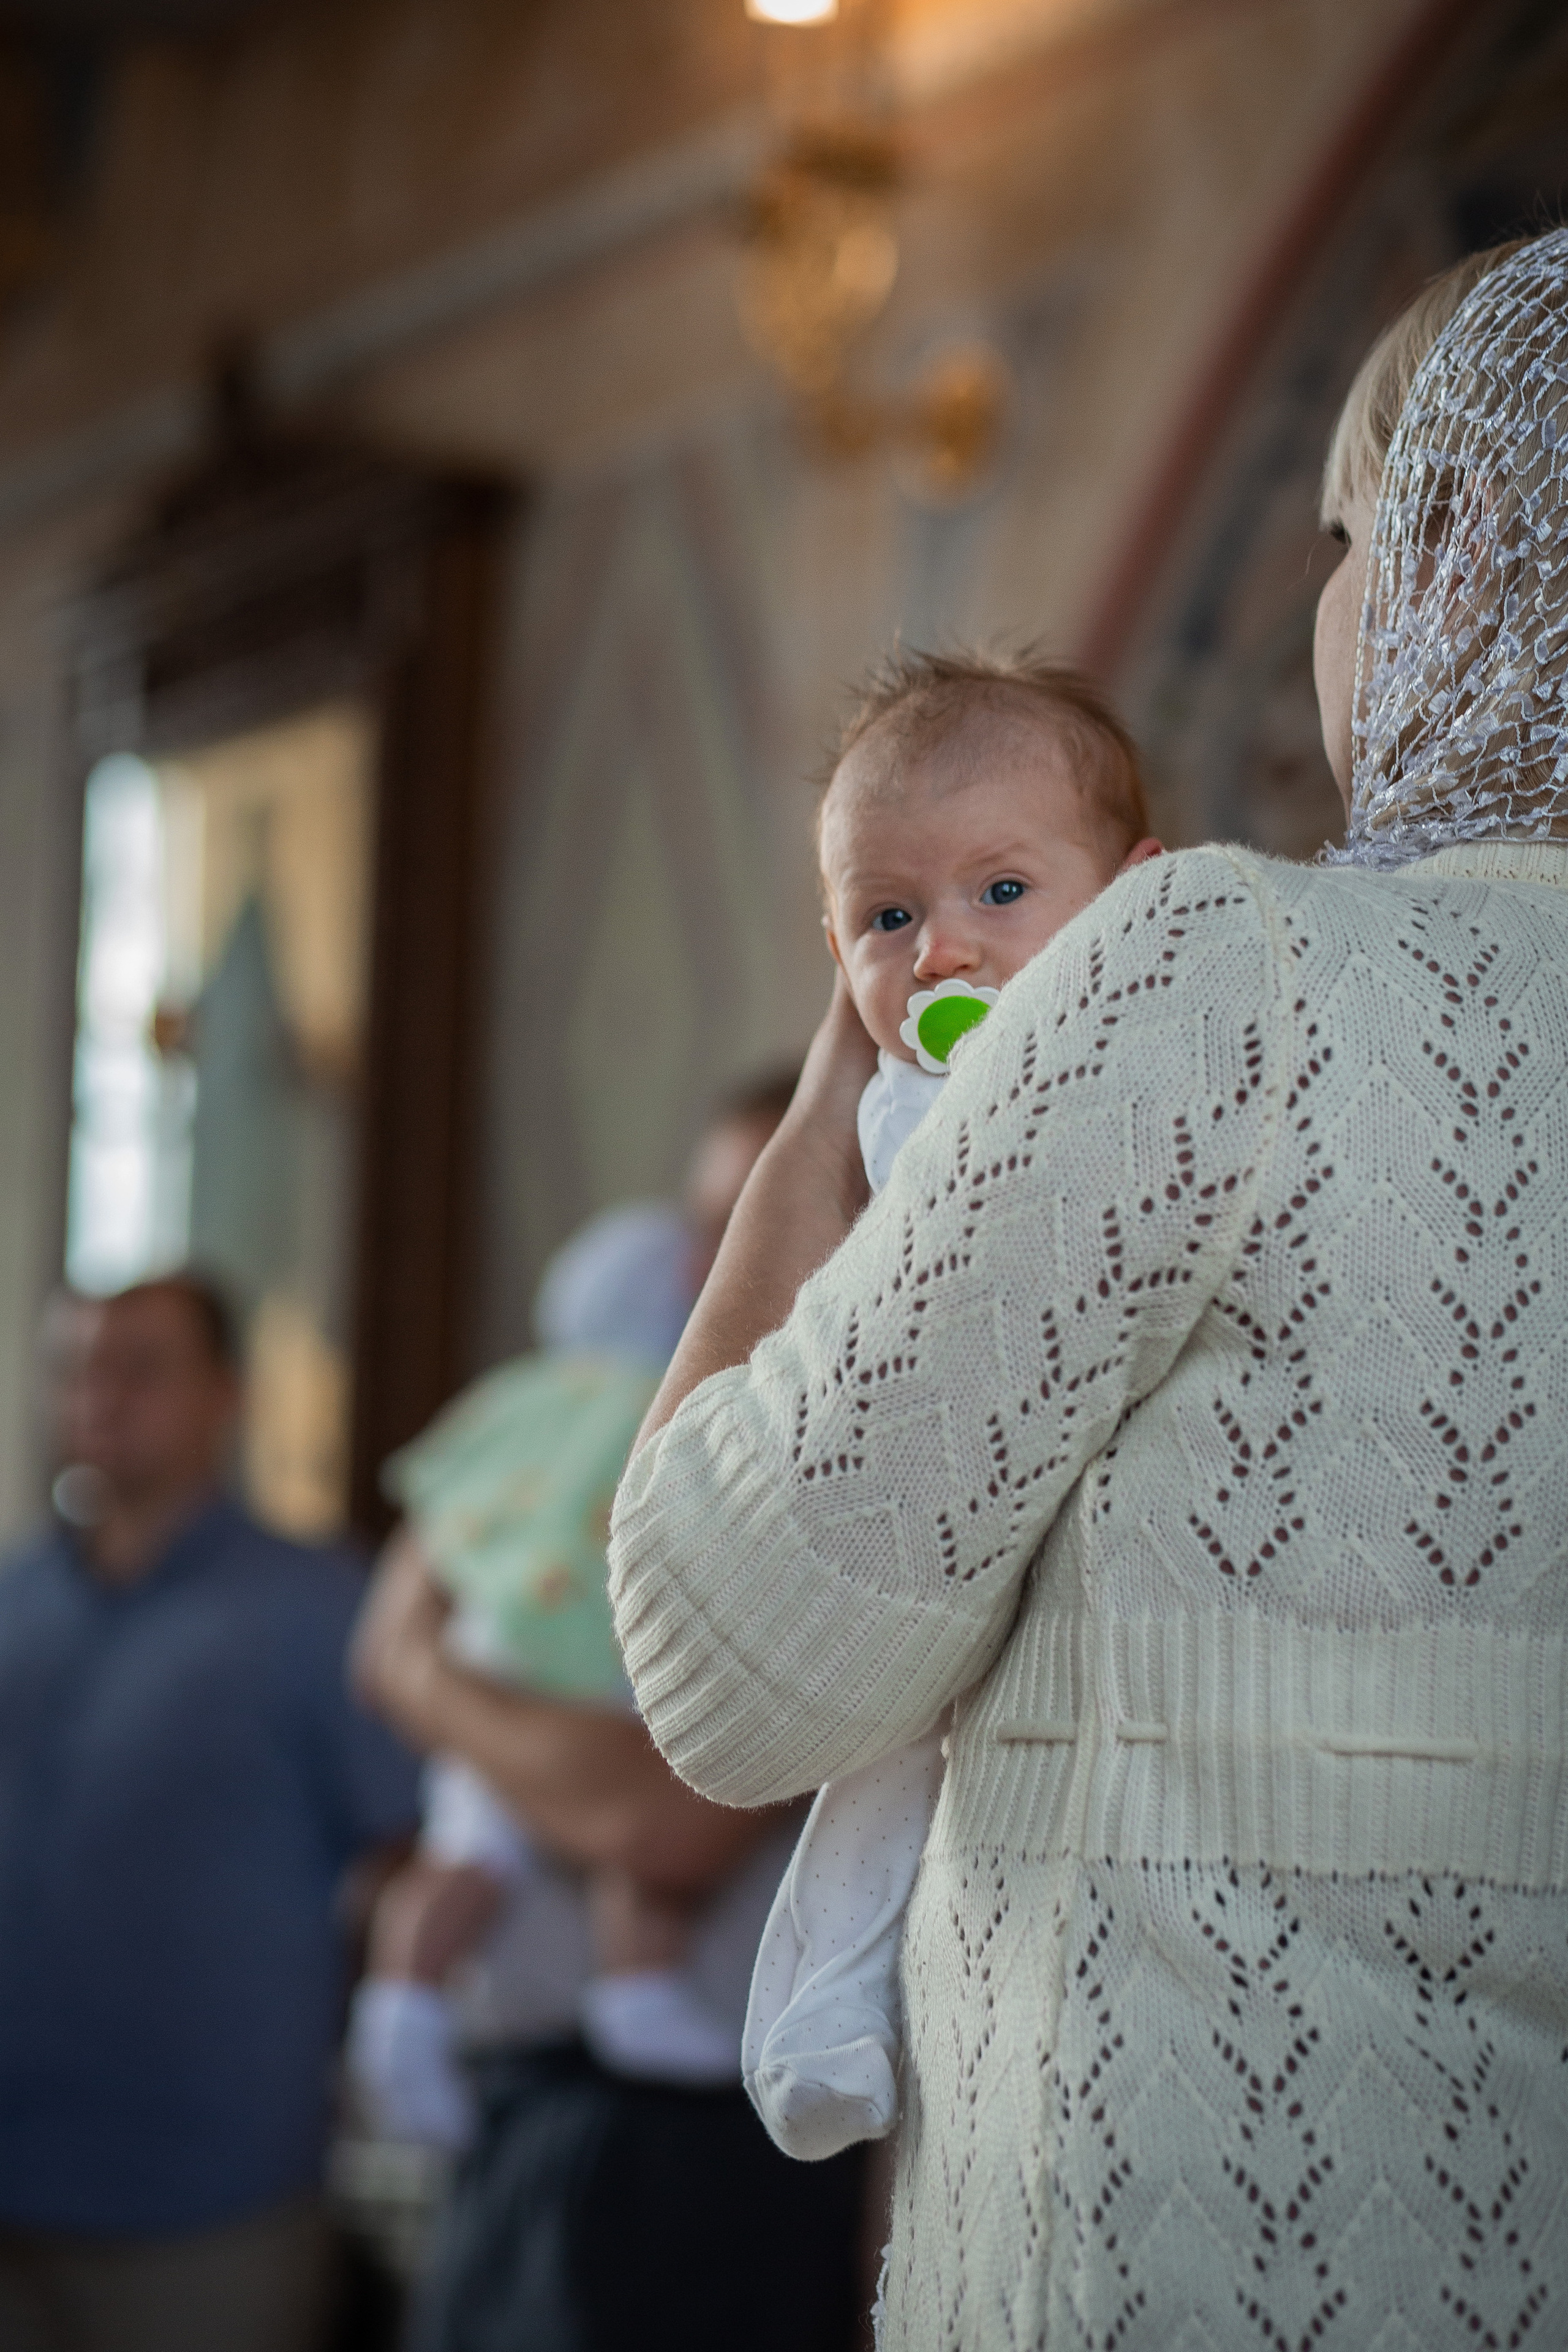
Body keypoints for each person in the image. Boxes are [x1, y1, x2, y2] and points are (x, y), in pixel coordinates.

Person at [609, 230, 1568, 2350]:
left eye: (1341, 537)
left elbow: (729, 1656)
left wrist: (813, 1118)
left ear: (1463, 547)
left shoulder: (1230, 973)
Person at [352, 1075, 869, 2352]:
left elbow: (667, 1825)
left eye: (767, 1218)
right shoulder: (600, 1438)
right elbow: (405, 1624)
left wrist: (435, 1682)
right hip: (522, 2109)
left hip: (711, 2157)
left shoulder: (852, 1496)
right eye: (703, 1226)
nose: (716, 1266)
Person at [744, 653, 1163, 2162]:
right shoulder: (899, 1109)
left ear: (1136, 897)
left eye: (1000, 891)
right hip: (932, 1523)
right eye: (887, 918)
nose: (943, 955)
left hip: (1113, 1557)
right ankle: (825, 2016)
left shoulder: (1173, 1064)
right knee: (875, 1771)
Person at [0, 1274, 420, 2352]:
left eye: (139, 1367)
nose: (100, 1396)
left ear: (227, 1395)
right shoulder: (15, 1602)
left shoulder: (321, 1608)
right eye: (77, 1367)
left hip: (213, 2195)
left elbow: (404, 1857)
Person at [347, 1202, 747, 2156]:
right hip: (595, 1659)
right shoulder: (679, 1404)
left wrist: (432, 1661)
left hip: (489, 1640)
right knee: (628, 1835)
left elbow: (414, 1590)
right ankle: (640, 1986)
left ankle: (400, 2004)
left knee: (467, 1856)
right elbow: (384, 1657)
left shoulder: (523, 1399)